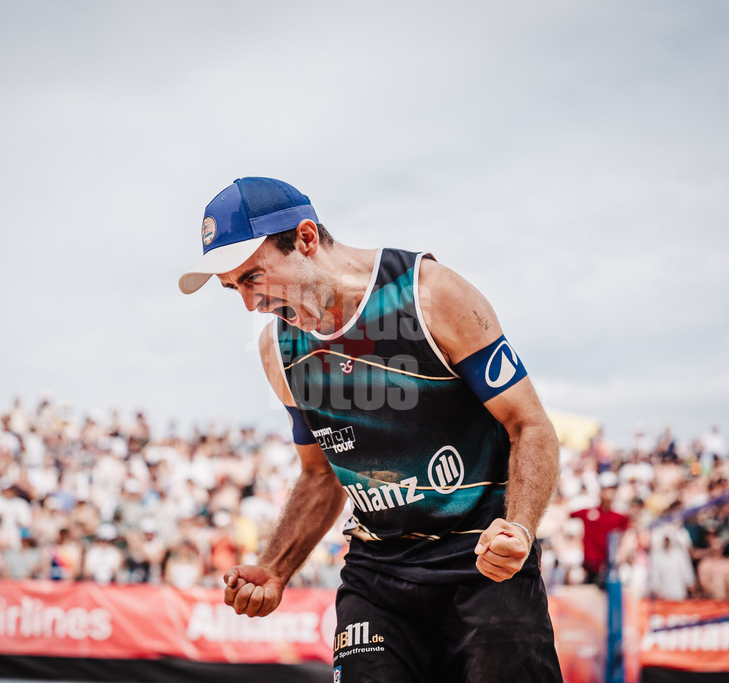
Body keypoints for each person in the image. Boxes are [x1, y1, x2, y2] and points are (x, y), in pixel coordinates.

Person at [179, 177, 563, 681]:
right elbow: (319, 476)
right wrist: (275, 567)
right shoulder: (280, 351)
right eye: (234, 289)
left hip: (481, 561)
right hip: (378, 574)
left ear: (307, 239)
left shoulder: (429, 294)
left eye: (253, 277)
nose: (251, 304)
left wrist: (520, 527)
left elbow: (530, 425)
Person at [570, 470, 630, 588]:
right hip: (588, 567)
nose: (609, 492)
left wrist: (620, 557)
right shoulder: (588, 512)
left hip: (608, 567)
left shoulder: (620, 516)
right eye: (606, 488)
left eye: (612, 488)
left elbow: (626, 537)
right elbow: (566, 515)